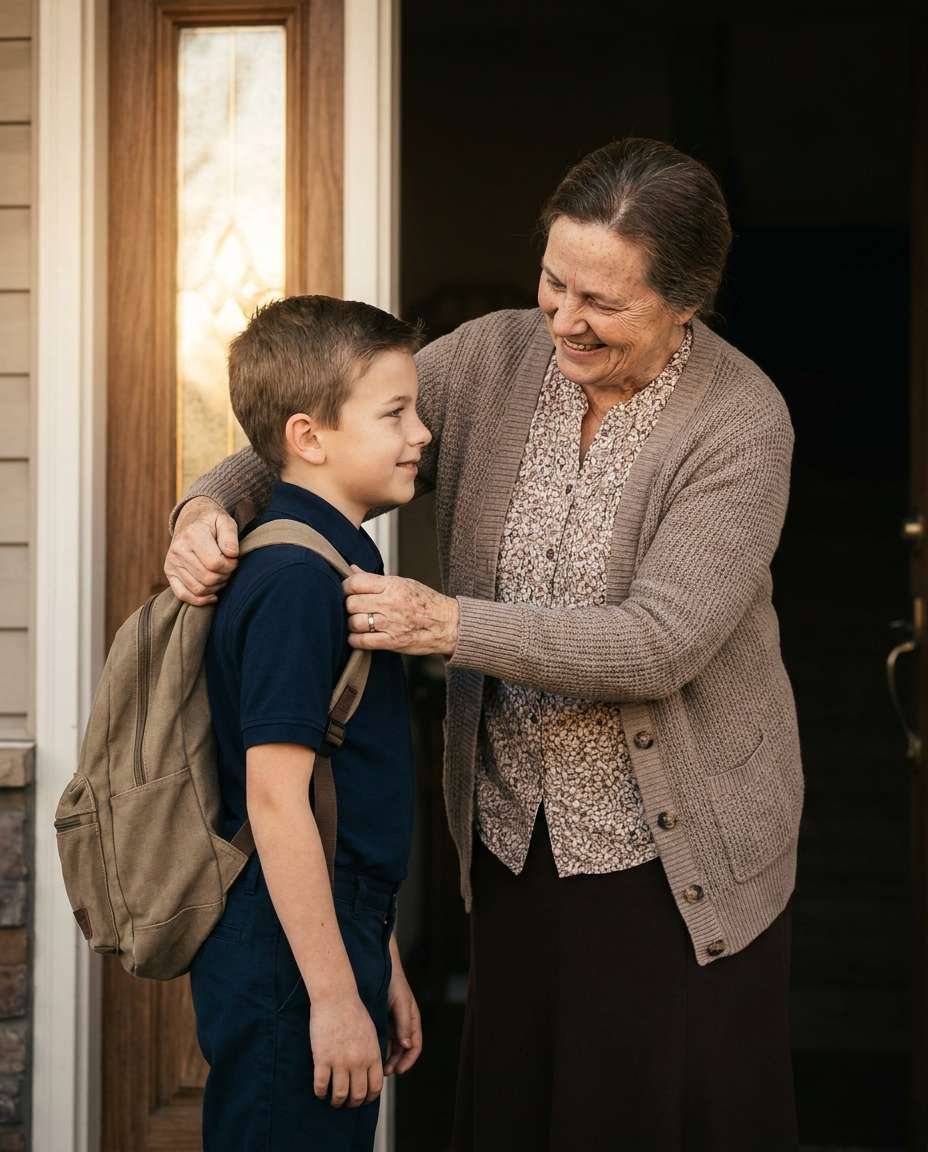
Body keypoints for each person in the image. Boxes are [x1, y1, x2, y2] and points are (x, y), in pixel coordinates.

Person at [167, 139, 801, 1150]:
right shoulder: (493, 356)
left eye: (602, 301)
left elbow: (660, 642)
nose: (563, 318)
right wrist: (202, 509)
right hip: (513, 835)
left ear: (685, 301)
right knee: (521, 1103)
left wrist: (449, 625)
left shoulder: (739, 422)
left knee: (651, 1109)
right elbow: (306, 432)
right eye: (553, 280)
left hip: (672, 860)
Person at [189, 295, 427, 1152]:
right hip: (284, 954)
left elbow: (338, 793)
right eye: (395, 412)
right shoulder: (293, 577)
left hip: (327, 928)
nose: (422, 433)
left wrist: (380, 963)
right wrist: (332, 995)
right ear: (309, 436)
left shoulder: (337, 557)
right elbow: (278, 799)